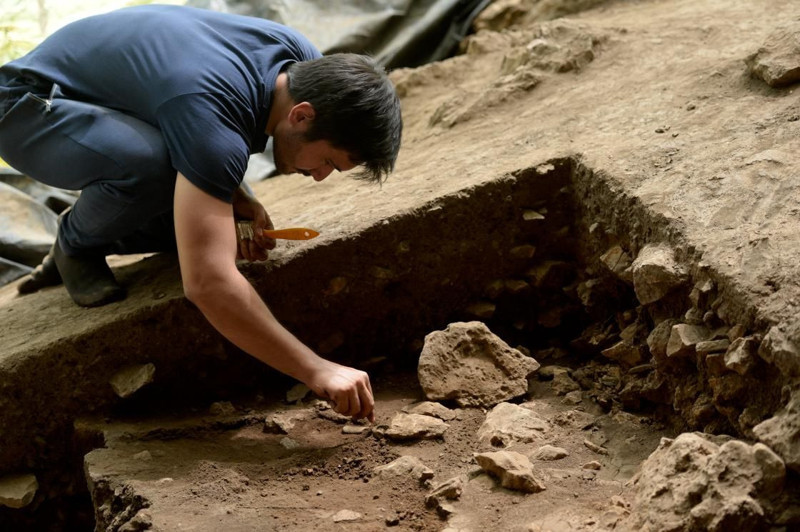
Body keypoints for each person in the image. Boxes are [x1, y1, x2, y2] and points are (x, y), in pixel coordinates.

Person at [0, 5, 403, 422]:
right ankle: (74, 243)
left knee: (190, 216)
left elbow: (202, 112)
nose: (319, 177)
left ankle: (99, 231)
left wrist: (235, 194)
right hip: (27, 106)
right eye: (329, 162)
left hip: (106, 99)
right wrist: (317, 369)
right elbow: (208, 283)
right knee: (150, 170)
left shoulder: (299, 62)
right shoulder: (213, 121)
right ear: (302, 115)